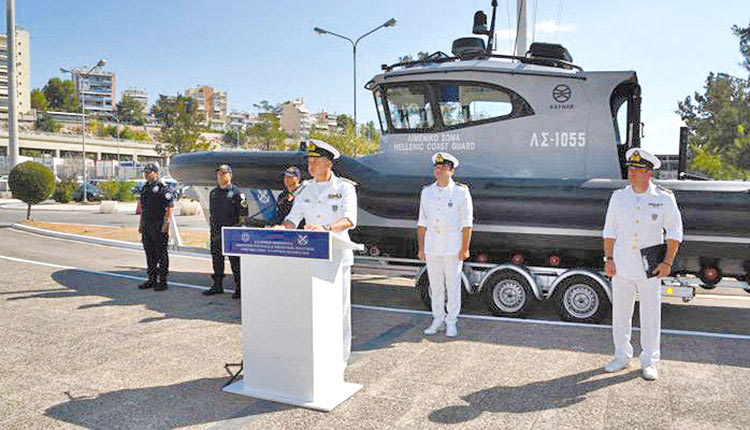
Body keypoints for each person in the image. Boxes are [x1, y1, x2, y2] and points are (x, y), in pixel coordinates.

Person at [602, 148, 683, 381]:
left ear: (649, 173)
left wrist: (668, 262)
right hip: (621, 264)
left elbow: (675, 232)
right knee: (620, 314)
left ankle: (649, 360)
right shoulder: (619, 197)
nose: (632, 174)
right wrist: (608, 259)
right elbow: (609, 231)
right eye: (630, 169)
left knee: (650, 314)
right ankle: (621, 356)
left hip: (651, 267)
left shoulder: (664, 198)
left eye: (637, 170)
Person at [276, 139, 357, 365]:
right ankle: (318, 357)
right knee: (314, 308)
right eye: (309, 161)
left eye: (315, 161)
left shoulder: (344, 188)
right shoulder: (305, 190)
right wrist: (282, 228)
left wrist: (327, 228)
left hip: (337, 254)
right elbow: (293, 218)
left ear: (328, 163)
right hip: (311, 255)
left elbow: (350, 219)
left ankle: (340, 360)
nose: (310, 166)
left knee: (339, 311)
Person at [417, 152, 473, 338]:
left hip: (452, 245)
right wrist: (421, 248)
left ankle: (451, 321)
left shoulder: (461, 192)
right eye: (436, 167)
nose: (438, 170)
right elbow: (422, 222)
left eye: (443, 168)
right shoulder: (427, 192)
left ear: (452, 171)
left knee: (453, 284)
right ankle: (437, 319)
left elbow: (467, 223)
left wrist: (465, 248)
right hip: (433, 245)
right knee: (436, 285)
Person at [203, 164, 249, 299]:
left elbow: (243, 215)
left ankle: (240, 288)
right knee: (217, 260)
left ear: (230, 175)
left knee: (236, 262)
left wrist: (237, 232)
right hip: (216, 232)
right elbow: (212, 214)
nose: (221, 176)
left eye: (223, 173)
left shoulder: (237, 194)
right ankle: (217, 286)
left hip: (232, 233)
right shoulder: (213, 193)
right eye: (219, 174)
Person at [137, 163, 175, 291]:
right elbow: (143, 208)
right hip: (147, 224)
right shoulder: (145, 188)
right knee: (150, 252)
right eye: (145, 172)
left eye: (149, 172)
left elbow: (169, 206)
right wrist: (141, 224)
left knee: (161, 253)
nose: (147, 175)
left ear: (156, 173)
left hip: (159, 223)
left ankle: (162, 281)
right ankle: (151, 279)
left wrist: (166, 223)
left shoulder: (162, 187)